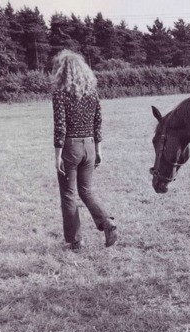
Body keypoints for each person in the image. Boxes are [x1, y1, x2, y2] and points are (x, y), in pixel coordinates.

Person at [51, 49, 117, 251]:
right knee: (87, 190)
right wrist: (99, 150)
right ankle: (107, 222)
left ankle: (75, 241)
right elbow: (98, 123)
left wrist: (57, 155)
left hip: (71, 147)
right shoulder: (92, 94)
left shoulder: (60, 94)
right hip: (89, 146)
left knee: (69, 195)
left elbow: (60, 126)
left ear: (62, 71)